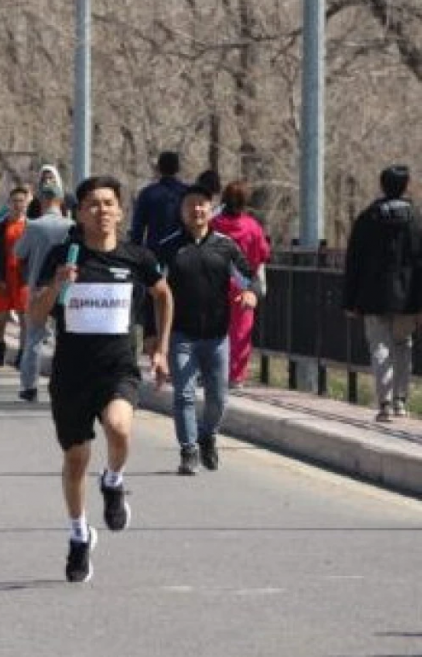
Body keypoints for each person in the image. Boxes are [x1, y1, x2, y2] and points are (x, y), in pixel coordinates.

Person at [31, 175, 172, 583]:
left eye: (109, 203)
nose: (102, 211)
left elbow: (164, 295)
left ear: (120, 211)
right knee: (75, 459)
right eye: (93, 204)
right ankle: (79, 535)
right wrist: (57, 286)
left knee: (119, 428)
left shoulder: (137, 258)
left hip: (117, 368)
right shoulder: (64, 254)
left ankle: (114, 480)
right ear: (79, 213)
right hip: (71, 372)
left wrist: (159, 348)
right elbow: (35, 315)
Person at [157, 185, 261, 475]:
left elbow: (249, 279)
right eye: (191, 205)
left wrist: (251, 294)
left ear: (210, 208)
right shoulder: (169, 247)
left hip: (216, 337)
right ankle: (188, 450)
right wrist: (156, 339)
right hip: (181, 335)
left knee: (218, 398)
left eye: (202, 204)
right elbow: (155, 291)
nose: (197, 210)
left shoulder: (225, 246)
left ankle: (207, 434)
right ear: (183, 211)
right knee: (184, 396)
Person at [343, 165, 422, 422]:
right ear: (405, 185)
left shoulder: (368, 219)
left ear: (382, 185)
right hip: (409, 296)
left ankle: (384, 403)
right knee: (403, 344)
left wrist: (350, 299)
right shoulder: (416, 219)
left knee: (380, 347)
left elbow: (354, 261)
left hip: (373, 294)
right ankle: (400, 400)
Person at [15, 178, 74, 401]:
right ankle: (63, 383)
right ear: (60, 201)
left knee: (34, 339)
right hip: (65, 288)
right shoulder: (71, 226)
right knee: (65, 338)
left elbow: (19, 253)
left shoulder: (34, 226)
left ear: (41, 200)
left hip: (38, 288)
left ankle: (29, 386)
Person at [210, 181, 271, 388]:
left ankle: (213, 369)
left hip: (215, 283)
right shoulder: (252, 227)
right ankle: (236, 375)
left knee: (215, 328)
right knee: (241, 330)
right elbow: (263, 253)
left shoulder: (214, 224)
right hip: (243, 284)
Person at [0, 187, 30, 368]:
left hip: (23, 278)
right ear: (10, 203)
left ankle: (21, 353)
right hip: (4, 276)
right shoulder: (0, 226)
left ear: (26, 203)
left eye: (21, 201)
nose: (18, 204)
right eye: (15, 201)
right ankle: (0, 344)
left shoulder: (32, 226)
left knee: (24, 319)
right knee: (1, 317)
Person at [129, 151, 187, 248]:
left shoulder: (147, 194)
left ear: (159, 168)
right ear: (178, 168)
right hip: (183, 249)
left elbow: (138, 228)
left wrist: (135, 251)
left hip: (155, 250)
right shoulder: (187, 193)